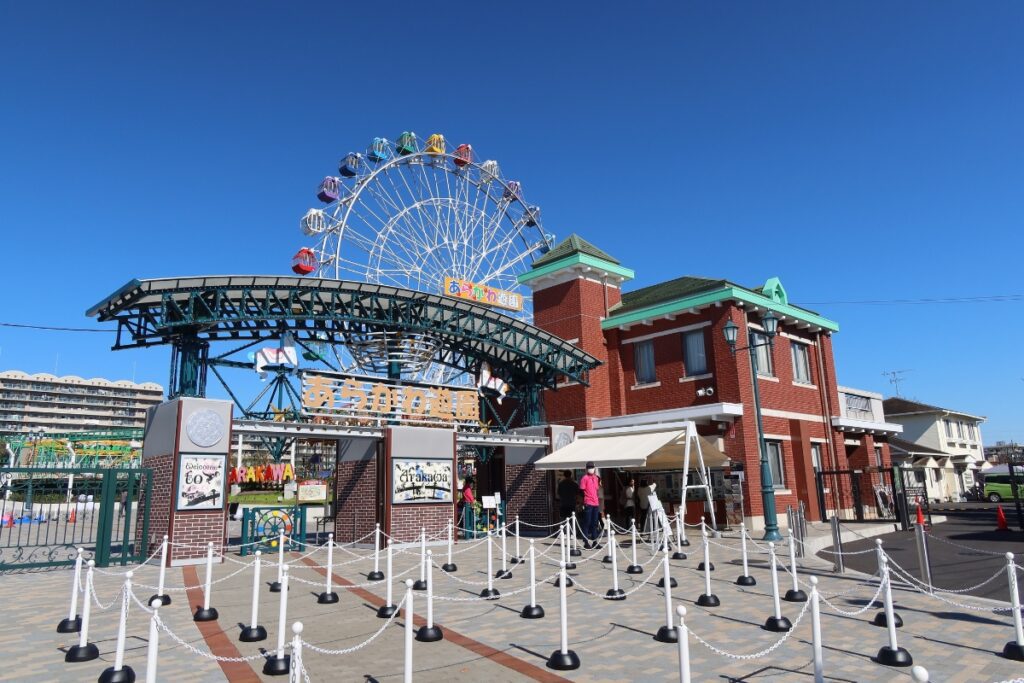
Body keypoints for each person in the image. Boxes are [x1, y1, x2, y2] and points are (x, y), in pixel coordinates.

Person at [579, 461, 602, 549]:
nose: (591, 469)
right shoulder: (584, 478)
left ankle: (595, 541)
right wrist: (582, 503)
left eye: (592, 467)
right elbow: (581, 491)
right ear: (586, 468)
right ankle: (585, 541)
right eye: (589, 467)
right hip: (588, 502)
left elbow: (596, 489)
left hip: (595, 503)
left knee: (595, 523)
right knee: (587, 522)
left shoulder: (596, 478)